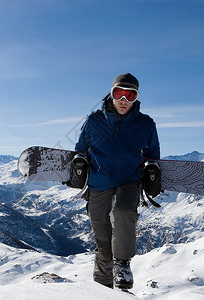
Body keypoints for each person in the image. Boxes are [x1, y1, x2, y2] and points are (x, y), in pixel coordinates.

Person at [72, 73, 160, 289]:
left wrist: (151, 170)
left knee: (123, 212)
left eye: (130, 95)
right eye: (119, 93)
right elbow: (81, 148)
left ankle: (121, 264)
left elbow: (152, 154)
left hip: (129, 180)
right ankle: (102, 289)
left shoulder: (145, 124)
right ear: (111, 94)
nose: (124, 100)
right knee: (102, 241)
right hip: (99, 182)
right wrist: (80, 161)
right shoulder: (94, 121)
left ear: (136, 98)